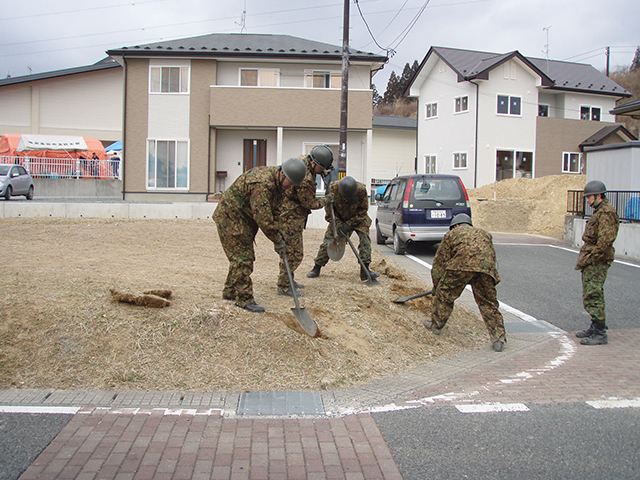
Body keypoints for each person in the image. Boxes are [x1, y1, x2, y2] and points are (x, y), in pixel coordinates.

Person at [212, 157, 306, 313]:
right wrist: (276, 240)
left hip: (244, 218)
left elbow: (275, 211)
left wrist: (280, 234)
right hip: (231, 217)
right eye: (289, 183)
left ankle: (230, 292)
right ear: (282, 173)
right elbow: (263, 218)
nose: (290, 187)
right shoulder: (263, 184)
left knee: (240, 256)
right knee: (243, 258)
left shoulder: (279, 185)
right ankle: (244, 299)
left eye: (293, 185)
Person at [423, 213, 507, 352]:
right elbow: (491, 257)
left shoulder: (452, 234)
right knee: (488, 303)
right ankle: (498, 338)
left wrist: (437, 287)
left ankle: (436, 326)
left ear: (455, 225)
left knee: (445, 296)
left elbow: (439, 264)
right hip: (485, 270)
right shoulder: (485, 234)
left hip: (460, 267)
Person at [276, 145, 334, 297]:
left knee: (290, 251)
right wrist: (326, 200)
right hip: (290, 217)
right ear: (315, 163)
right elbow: (309, 203)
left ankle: (288, 279)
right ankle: (284, 286)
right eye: (322, 168)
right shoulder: (306, 178)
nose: (323, 171)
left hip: (291, 214)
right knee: (294, 254)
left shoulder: (305, 161)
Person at [307, 176, 380, 281]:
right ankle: (317, 267)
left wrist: (349, 224)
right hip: (338, 219)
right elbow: (329, 212)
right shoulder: (331, 190)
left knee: (365, 240)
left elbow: (362, 211)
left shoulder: (361, 190)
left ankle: (365, 270)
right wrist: (338, 223)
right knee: (328, 241)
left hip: (357, 218)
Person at [574, 180, 620, 345]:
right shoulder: (600, 211)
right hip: (593, 258)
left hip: (598, 260)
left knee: (593, 293)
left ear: (598, 195)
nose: (587, 200)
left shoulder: (606, 213)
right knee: (590, 292)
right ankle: (595, 326)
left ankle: (600, 332)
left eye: (589, 197)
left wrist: (591, 258)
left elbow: (605, 242)